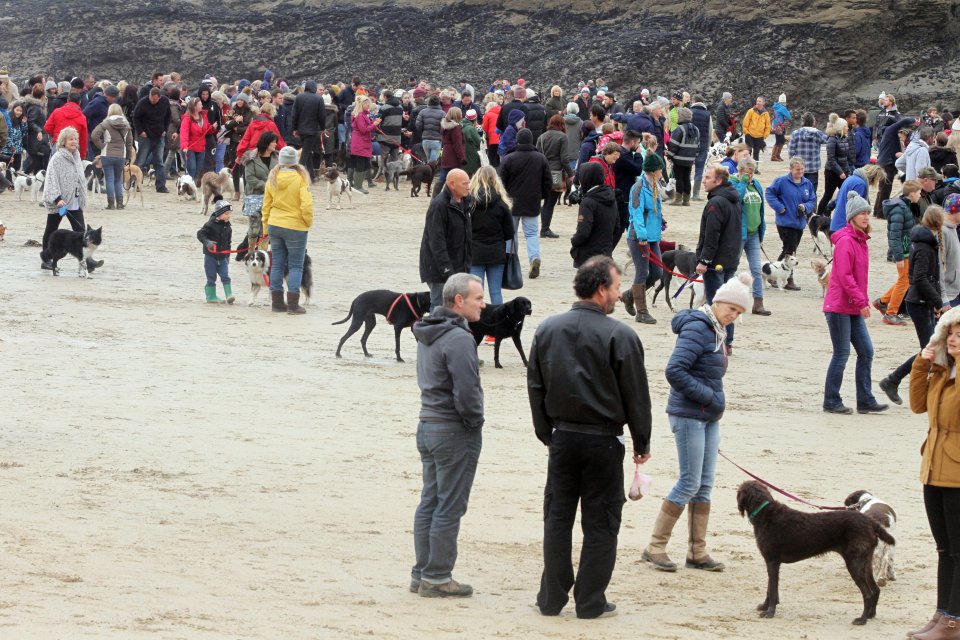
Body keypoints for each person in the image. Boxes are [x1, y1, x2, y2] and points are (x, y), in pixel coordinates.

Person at [528, 256, 652, 619]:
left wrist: (545, 433)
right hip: (601, 441)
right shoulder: (621, 334)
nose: (618, 294)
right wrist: (642, 444)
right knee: (601, 522)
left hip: (563, 437)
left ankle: (551, 597)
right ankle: (590, 600)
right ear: (601, 290)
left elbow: (535, 385)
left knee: (558, 518)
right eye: (615, 288)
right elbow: (636, 397)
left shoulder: (548, 328)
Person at [643, 272, 751, 572]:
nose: (733, 316)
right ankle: (656, 546)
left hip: (707, 414)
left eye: (739, 313)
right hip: (689, 414)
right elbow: (674, 371)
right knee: (689, 480)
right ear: (718, 303)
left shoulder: (716, 329)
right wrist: (708, 397)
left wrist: (713, 403)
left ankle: (696, 551)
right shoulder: (698, 328)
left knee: (704, 484)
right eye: (732, 309)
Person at [410, 272, 485, 599]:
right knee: (448, 505)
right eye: (478, 298)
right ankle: (437, 576)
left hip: (428, 425)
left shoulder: (429, 331)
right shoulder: (458, 338)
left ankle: (422, 572)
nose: (484, 304)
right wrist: (475, 420)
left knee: (431, 500)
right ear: (458, 301)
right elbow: (467, 392)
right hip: (451, 428)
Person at [906, 306, 960, 639]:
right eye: (950, 333)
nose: (953, 339)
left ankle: (954, 621)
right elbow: (917, 404)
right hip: (934, 467)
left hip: (957, 473)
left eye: (959, 334)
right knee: (944, 549)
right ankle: (941, 614)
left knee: (959, 549)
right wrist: (922, 362)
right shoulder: (943, 371)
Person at [822, 192, 888, 414]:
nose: (866, 216)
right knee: (841, 353)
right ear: (851, 217)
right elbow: (844, 276)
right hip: (840, 305)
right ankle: (831, 400)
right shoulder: (846, 241)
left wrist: (860, 301)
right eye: (862, 213)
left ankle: (865, 399)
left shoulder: (861, 241)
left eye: (868, 212)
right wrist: (862, 302)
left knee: (866, 351)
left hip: (852, 305)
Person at [879, 206, 944, 404]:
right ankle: (894, 379)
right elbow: (920, 278)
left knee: (932, 347)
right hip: (919, 301)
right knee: (930, 348)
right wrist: (938, 302)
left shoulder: (923, 242)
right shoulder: (925, 246)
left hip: (921, 300)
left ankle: (898, 381)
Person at [40, 127, 102, 273]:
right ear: (63, 142)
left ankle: (88, 260)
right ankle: (46, 259)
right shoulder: (57, 158)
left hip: (75, 201)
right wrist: (57, 199)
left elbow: (79, 178)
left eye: (75, 139)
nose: (74, 141)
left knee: (81, 231)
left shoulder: (76, 156)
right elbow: (51, 180)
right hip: (60, 202)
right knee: (51, 230)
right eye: (71, 139)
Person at [695, 166, 743, 352]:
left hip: (717, 262)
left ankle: (719, 342)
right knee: (727, 302)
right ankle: (727, 341)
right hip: (730, 258)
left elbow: (712, 235)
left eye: (708, 177)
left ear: (718, 181)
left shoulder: (716, 203)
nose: (704, 180)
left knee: (716, 304)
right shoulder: (733, 199)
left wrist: (704, 260)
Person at [262, 145, 313, 314]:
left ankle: (277, 302)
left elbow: (266, 205)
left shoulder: (272, 178)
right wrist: (307, 222)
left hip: (275, 224)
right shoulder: (300, 178)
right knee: (296, 266)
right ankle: (293, 304)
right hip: (295, 225)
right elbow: (306, 204)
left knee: (277, 264)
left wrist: (265, 227)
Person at [499, 128, 551, 279]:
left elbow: (500, 181)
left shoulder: (509, 158)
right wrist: (542, 196)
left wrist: (503, 198)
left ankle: (509, 261)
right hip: (532, 201)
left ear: (517, 140)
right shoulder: (540, 158)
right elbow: (547, 181)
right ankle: (534, 257)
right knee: (532, 233)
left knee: (510, 233)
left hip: (511, 201)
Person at [419, 169, 474, 310]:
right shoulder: (439, 205)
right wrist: (447, 271)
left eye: (469, 182)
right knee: (439, 308)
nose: (468, 186)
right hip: (439, 270)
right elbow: (436, 242)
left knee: (457, 308)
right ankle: (433, 332)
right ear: (452, 184)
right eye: (465, 183)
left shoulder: (465, 202)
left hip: (460, 266)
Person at [621, 152, 665, 324]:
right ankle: (642, 312)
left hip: (653, 236)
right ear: (653, 171)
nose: (662, 172)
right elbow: (636, 213)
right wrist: (642, 236)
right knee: (642, 272)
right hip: (639, 237)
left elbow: (655, 210)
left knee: (657, 272)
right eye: (660, 169)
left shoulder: (655, 185)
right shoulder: (638, 187)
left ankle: (630, 295)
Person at [765, 157, 817, 290]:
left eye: (802, 169)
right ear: (791, 169)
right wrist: (779, 207)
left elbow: (812, 199)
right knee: (789, 250)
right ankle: (788, 279)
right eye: (797, 169)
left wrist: (806, 207)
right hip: (785, 222)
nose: (800, 172)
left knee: (789, 251)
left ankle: (774, 275)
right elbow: (769, 193)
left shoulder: (807, 183)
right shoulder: (781, 181)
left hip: (799, 223)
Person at [875, 180, 922, 325]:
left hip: (908, 249)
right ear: (912, 193)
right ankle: (891, 313)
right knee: (904, 281)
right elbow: (894, 234)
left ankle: (882, 301)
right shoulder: (899, 209)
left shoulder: (907, 206)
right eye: (919, 193)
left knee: (903, 280)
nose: (920, 196)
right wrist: (899, 255)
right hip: (904, 251)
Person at [468, 166, 514, 304]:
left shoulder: (470, 203)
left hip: (475, 251)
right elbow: (509, 233)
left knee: (476, 292)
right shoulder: (502, 204)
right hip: (496, 251)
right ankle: (498, 322)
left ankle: (476, 321)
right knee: (495, 292)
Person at [731, 158, 770, 315]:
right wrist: (742, 183)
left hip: (754, 233)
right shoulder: (733, 183)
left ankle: (758, 302)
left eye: (752, 173)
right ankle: (728, 299)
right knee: (732, 266)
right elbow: (735, 199)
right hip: (739, 233)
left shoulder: (756, 184)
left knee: (756, 268)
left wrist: (762, 230)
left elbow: (760, 207)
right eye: (747, 173)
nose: (750, 176)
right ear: (739, 171)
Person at [570, 162, 617, 268]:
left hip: (588, 256)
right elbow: (617, 227)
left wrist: (574, 241)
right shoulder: (611, 197)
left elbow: (583, 232)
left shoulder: (588, 202)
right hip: (606, 253)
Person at [90, 103, 135, 210]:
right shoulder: (127, 125)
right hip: (121, 155)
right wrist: (128, 157)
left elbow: (94, 135)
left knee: (109, 179)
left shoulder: (105, 123)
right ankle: (120, 203)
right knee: (118, 180)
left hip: (107, 153)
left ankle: (111, 203)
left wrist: (101, 145)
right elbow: (129, 143)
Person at [242, 131, 279, 251]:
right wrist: (267, 185)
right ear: (266, 143)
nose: (275, 144)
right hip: (254, 196)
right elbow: (250, 178)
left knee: (266, 228)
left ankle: (262, 254)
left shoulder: (277, 159)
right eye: (273, 142)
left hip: (271, 197)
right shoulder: (251, 158)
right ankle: (251, 251)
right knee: (254, 228)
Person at [536, 114, 570, 239]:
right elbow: (564, 159)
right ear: (561, 124)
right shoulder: (563, 137)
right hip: (556, 172)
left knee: (545, 202)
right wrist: (571, 174)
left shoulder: (541, 137)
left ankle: (544, 227)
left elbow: (537, 154)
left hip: (542, 171)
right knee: (550, 203)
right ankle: (545, 229)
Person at [196, 198, 236, 304]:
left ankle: (229, 295)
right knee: (211, 277)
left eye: (229, 213)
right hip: (210, 257)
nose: (229, 216)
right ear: (219, 214)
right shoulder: (210, 224)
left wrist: (227, 255)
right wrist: (207, 242)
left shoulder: (228, 228)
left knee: (225, 276)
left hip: (222, 258)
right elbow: (200, 234)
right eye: (226, 213)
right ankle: (211, 296)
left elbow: (228, 242)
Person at [132, 87, 171, 193]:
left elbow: (168, 116)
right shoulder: (143, 103)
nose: (152, 100)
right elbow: (135, 117)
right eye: (151, 98)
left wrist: (165, 129)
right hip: (146, 136)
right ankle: (136, 183)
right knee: (141, 161)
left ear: (159, 97)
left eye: (155, 99)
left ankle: (161, 186)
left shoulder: (165, 102)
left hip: (159, 135)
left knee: (159, 161)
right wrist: (140, 131)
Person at [830, 163, 888, 233]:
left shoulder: (850, 178)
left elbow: (837, 199)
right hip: (845, 226)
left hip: (836, 223)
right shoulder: (860, 184)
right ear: (873, 177)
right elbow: (857, 208)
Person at [817, 119, 852, 216]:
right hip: (832, 172)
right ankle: (818, 215)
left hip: (844, 172)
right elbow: (831, 159)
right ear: (840, 127)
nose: (847, 128)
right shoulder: (832, 139)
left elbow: (845, 158)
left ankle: (834, 212)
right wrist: (840, 172)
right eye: (846, 126)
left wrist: (847, 171)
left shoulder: (844, 138)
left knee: (846, 194)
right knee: (828, 195)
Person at [787, 112, 829, 194]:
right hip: (813, 168)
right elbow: (828, 140)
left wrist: (792, 165)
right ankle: (812, 207)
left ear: (802, 121)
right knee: (812, 192)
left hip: (798, 167)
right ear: (813, 122)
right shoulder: (818, 133)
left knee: (798, 191)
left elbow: (791, 151)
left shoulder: (796, 133)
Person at [666, 107, 700, 206]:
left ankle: (678, 199)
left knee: (679, 178)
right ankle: (686, 200)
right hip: (690, 159)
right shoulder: (696, 129)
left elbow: (673, 145)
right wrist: (695, 157)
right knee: (686, 178)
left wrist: (670, 155)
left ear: (681, 117)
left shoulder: (679, 129)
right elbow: (698, 145)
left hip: (679, 159)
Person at [291, 81, 323, 182]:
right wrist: (323, 128)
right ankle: (297, 174)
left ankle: (312, 176)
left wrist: (294, 128)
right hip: (312, 130)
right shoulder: (318, 99)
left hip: (301, 129)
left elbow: (294, 114)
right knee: (305, 153)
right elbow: (322, 116)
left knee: (307, 151)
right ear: (314, 88)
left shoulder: (299, 97)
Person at [45, 92, 89, 160]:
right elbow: (83, 138)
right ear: (79, 102)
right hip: (73, 147)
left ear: (68, 100)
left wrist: (55, 135)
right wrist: (82, 156)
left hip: (58, 143)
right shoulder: (82, 117)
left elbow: (47, 127)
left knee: (54, 169)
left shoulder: (57, 112)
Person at [179, 97, 213, 182]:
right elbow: (184, 133)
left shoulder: (203, 116)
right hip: (190, 147)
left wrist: (212, 128)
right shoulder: (187, 118)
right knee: (192, 168)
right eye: (200, 104)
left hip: (201, 147)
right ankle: (188, 185)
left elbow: (207, 129)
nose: (202, 105)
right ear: (195, 107)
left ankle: (191, 186)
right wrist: (184, 146)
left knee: (198, 170)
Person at [349, 96, 378, 194]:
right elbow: (363, 129)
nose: (369, 105)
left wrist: (373, 123)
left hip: (362, 143)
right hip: (360, 144)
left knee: (364, 164)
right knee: (360, 165)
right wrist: (374, 125)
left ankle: (358, 185)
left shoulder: (362, 115)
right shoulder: (360, 115)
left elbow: (365, 127)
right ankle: (358, 186)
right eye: (367, 104)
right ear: (362, 104)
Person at [438, 107, 466, 186]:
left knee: (443, 177)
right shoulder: (455, 129)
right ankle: (454, 196)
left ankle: (435, 196)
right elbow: (458, 145)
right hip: (454, 156)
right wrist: (462, 158)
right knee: (456, 178)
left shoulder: (445, 127)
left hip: (446, 153)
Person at [741, 96, 770, 166]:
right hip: (750, 135)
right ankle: (745, 166)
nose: (758, 102)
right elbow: (745, 122)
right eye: (757, 101)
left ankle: (755, 168)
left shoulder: (766, 114)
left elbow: (768, 125)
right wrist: (746, 132)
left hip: (760, 136)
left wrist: (765, 135)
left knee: (756, 153)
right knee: (748, 151)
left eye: (760, 101)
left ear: (763, 103)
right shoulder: (751, 111)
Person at [416, 95, 445, 163]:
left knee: (428, 161)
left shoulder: (423, 112)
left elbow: (418, 125)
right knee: (433, 163)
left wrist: (424, 131)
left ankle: (427, 172)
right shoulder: (442, 113)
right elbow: (444, 127)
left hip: (425, 140)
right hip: (436, 140)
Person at [769, 94, 791, 161]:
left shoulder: (776, 107)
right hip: (779, 127)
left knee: (780, 140)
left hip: (776, 126)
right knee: (779, 141)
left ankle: (777, 155)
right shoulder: (782, 108)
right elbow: (789, 117)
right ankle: (774, 156)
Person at [462, 109, 482, 177]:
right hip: (472, 155)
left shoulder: (462, 125)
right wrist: (482, 136)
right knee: (472, 174)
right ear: (475, 119)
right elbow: (479, 142)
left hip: (465, 153)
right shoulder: (470, 128)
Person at [481, 98, 501, 167]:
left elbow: (484, 128)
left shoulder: (488, 114)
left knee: (492, 159)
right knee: (499, 158)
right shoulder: (501, 113)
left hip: (492, 140)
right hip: (501, 139)